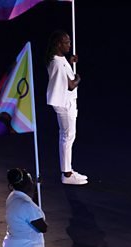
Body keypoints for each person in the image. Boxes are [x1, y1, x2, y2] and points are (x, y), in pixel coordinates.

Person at [45, 30, 88, 185]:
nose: (70, 45)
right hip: (64, 103)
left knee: (67, 136)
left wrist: (70, 63)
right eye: (67, 42)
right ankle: (67, 174)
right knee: (67, 136)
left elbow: (63, 75)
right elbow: (70, 85)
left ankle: (68, 170)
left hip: (65, 102)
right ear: (58, 44)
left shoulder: (58, 59)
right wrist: (78, 79)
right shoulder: (56, 61)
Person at [3, 168, 47, 247]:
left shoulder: (13, 197)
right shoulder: (25, 205)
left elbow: (32, 210)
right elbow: (42, 227)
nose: (32, 182)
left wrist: (37, 190)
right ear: (25, 184)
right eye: (30, 180)